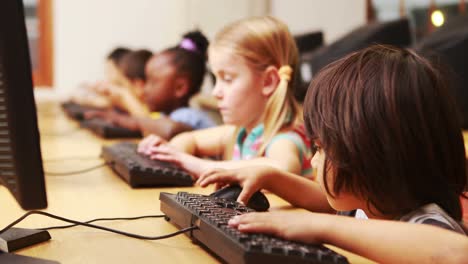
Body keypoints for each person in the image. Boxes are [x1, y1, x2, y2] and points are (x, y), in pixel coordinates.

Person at [197, 45, 468, 263]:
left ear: (370, 154)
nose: (314, 160)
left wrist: (319, 227)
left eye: (321, 148)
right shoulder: (371, 205)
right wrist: (271, 177)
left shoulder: (428, 225)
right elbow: (329, 201)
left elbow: (455, 253)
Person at [138, 16, 313, 179]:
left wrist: (199, 165)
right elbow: (190, 139)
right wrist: (171, 153)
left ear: (268, 82)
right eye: (216, 79)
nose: (216, 92)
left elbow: (281, 169)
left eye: (227, 79)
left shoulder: (284, 138)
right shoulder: (240, 131)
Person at [87, 30, 216, 138]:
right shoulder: (165, 115)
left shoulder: (188, 115)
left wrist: (122, 119)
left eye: (152, 82)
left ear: (180, 88)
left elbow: (169, 130)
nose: (145, 89)